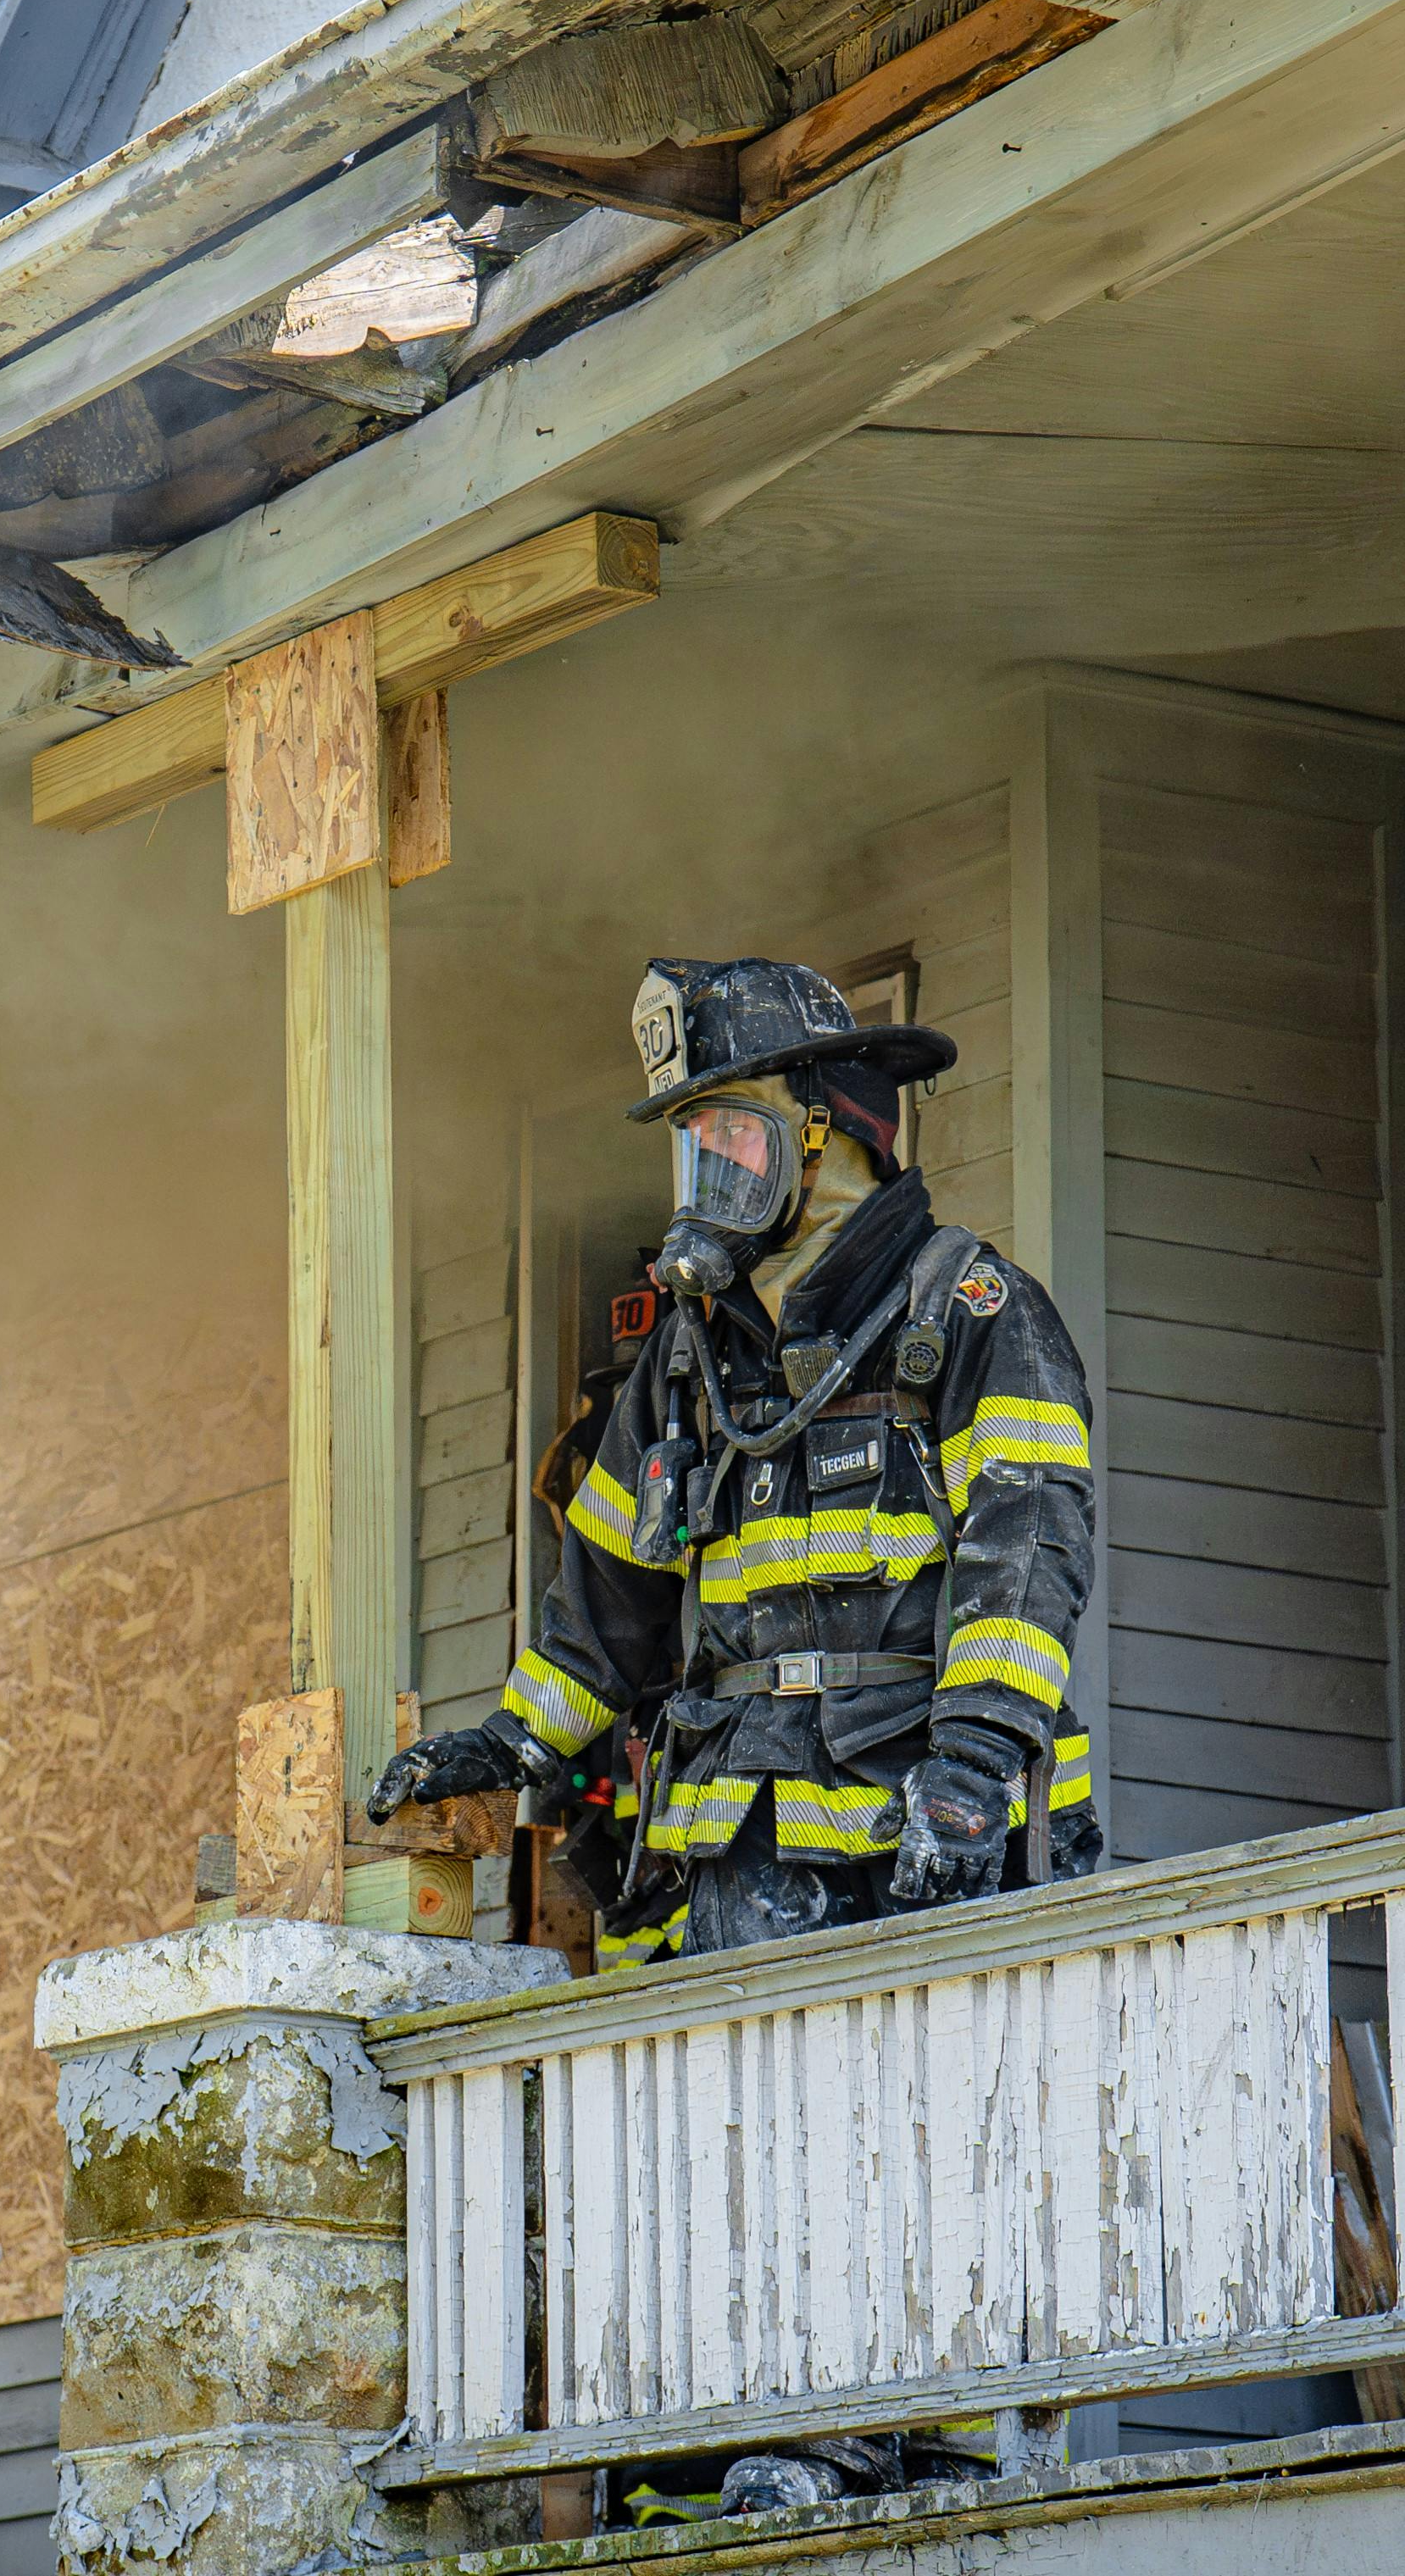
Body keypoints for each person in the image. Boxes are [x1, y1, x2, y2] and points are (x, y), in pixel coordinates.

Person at [367, 957, 1100, 2513]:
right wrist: (514, 1744)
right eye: (689, 1145)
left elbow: (1028, 1550)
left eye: (732, 1137)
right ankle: (745, 2439)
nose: (706, 1175)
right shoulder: (693, 1357)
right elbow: (608, 1604)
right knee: (734, 2137)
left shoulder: (972, 1313)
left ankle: (865, 2438)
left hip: (917, 1841)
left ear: (832, 1131)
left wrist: (972, 1776)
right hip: (737, 1850)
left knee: (894, 2133)